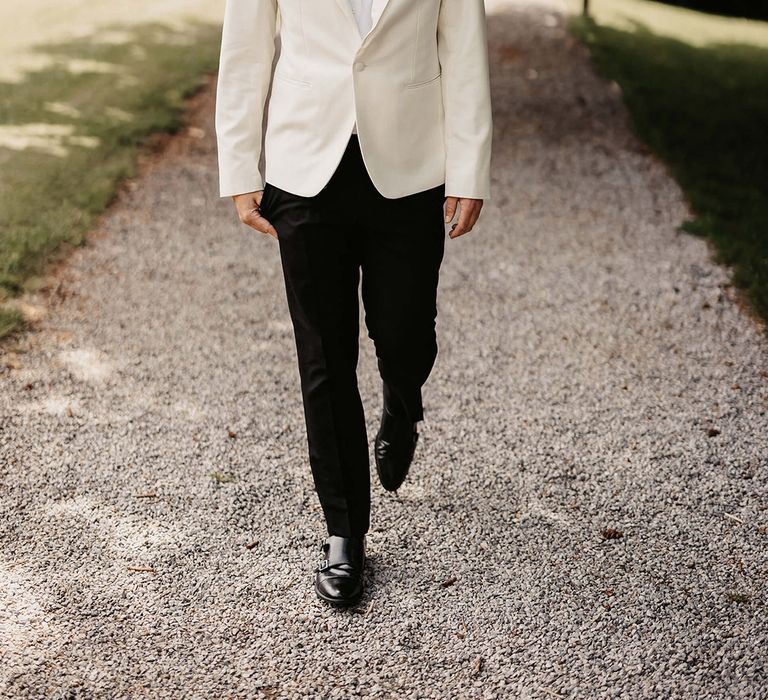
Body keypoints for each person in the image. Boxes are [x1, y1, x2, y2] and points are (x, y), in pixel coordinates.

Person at [214, 0, 492, 607]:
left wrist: (470, 169)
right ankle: (345, 530)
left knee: (406, 333)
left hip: (412, 167)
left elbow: (464, 48)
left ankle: (403, 396)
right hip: (305, 166)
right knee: (323, 355)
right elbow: (245, 48)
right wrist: (239, 164)